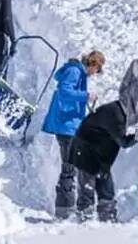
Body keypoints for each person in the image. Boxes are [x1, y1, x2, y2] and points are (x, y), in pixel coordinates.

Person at [41, 51, 106, 221]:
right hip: (65, 126)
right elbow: (64, 92)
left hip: (69, 125)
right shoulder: (75, 72)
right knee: (71, 167)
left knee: (73, 166)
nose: (95, 74)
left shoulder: (78, 72)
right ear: (93, 64)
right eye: (97, 70)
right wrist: (86, 96)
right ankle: (69, 209)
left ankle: (70, 208)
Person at [68, 97, 138, 222]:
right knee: (88, 186)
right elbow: (124, 142)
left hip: (99, 154)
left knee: (106, 187)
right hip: (85, 151)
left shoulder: (117, 109)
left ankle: (107, 217)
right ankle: (85, 219)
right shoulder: (116, 116)